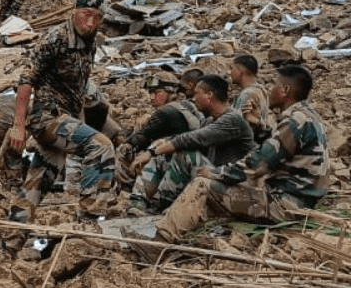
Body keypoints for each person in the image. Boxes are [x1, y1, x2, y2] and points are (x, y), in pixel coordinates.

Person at [152, 65, 328, 244]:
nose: (269, 89)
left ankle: (160, 242)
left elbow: (256, 164)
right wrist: (258, 126)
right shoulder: (309, 116)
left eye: (275, 84)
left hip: (285, 206)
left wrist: (214, 173)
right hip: (301, 202)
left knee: (202, 187)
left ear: (285, 90)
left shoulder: (294, 120)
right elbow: (279, 145)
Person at [5, 0, 116, 222]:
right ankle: (89, 221)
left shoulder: (89, 44)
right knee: (101, 147)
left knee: (38, 181)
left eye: (97, 17)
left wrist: (79, 123)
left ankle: (10, 239)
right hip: (47, 117)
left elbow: (79, 89)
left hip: (66, 118)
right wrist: (18, 125)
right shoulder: (55, 38)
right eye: (86, 14)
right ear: (75, 11)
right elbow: (26, 81)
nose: (90, 22)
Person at [129, 74, 256, 214]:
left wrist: (152, 151)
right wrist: (162, 143)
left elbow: (194, 138)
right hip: (212, 177)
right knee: (161, 157)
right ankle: (138, 203)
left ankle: (159, 207)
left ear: (209, 95)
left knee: (186, 155)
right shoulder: (210, 120)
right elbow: (187, 136)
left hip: (232, 183)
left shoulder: (233, 120)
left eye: (197, 93)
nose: (194, 98)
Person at [114, 74, 203, 191]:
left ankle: (127, 189)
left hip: (173, 161)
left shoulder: (164, 112)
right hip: (194, 159)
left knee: (124, 150)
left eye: (156, 93)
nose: (151, 97)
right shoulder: (188, 105)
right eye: (150, 93)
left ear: (170, 92)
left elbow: (137, 139)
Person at [230, 54, 274, 143]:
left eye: (232, 68)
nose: (230, 72)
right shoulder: (260, 89)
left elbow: (236, 125)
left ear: (239, 71)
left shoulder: (248, 94)